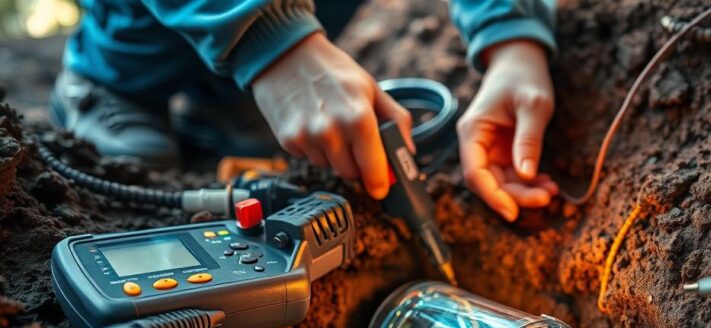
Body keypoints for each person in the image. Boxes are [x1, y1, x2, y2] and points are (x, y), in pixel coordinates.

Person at [52, 0, 559, 222]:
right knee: (140, 134)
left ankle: (225, 96)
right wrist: (273, 42)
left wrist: (511, 37)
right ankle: (107, 80)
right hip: (140, 46)